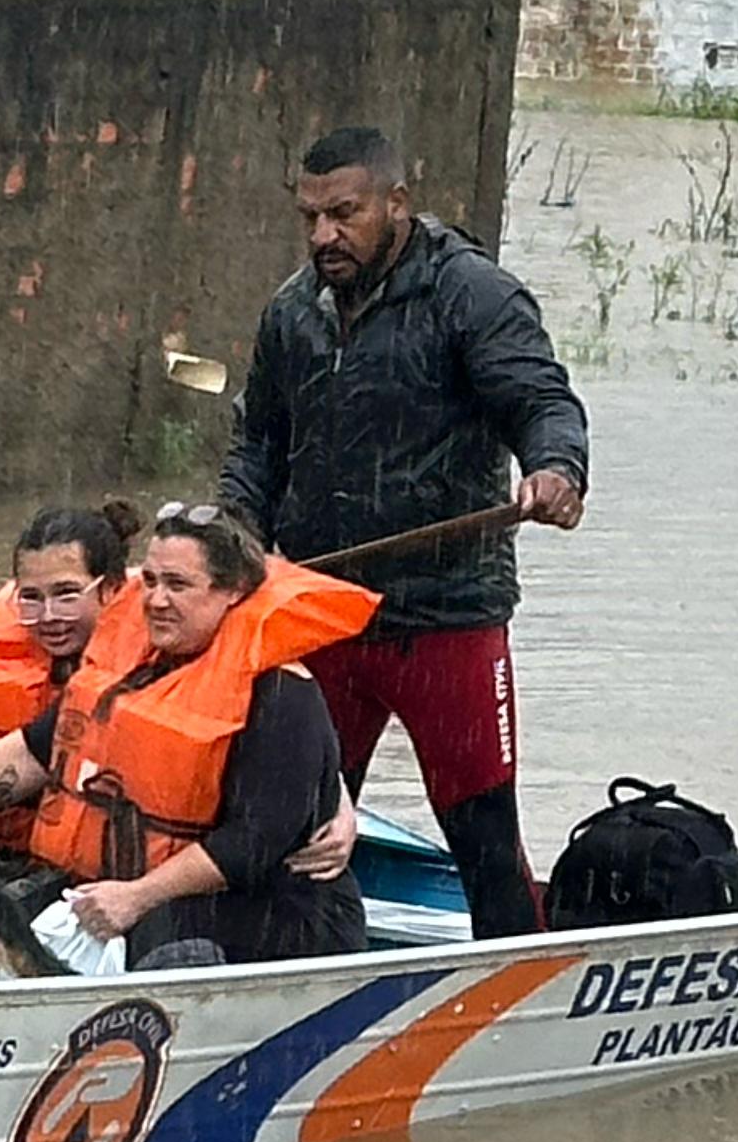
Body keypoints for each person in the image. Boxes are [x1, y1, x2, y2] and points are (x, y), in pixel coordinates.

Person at [217, 125, 588, 937]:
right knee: (294, 830)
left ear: (397, 204)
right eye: (310, 217)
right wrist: (236, 535)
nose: (324, 236)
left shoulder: (474, 297)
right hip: (320, 612)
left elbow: (542, 403)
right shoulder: (290, 313)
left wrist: (557, 468)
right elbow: (258, 446)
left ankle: (515, 995)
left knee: (483, 836)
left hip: (447, 616)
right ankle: (301, 976)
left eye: (344, 215)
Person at [0, 507, 375, 969]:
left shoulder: (282, 695)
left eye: (178, 585)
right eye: (149, 581)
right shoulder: (131, 669)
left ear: (231, 591)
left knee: (162, 927)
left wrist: (136, 896)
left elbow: (250, 846)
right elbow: (36, 749)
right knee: (1, 917)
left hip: (280, 911)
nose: (155, 600)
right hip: (131, 889)